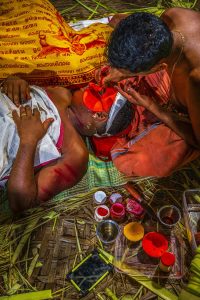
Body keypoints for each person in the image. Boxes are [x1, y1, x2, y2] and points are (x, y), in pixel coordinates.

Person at [0, 75, 134, 213]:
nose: (89, 85)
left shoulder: (76, 155)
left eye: (97, 92)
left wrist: (28, 141)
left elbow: (21, 202)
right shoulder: (61, 92)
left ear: (99, 116)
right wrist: (13, 82)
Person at [94, 9, 200, 177]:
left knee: (147, 159)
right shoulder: (172, 16)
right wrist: (122, 70)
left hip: (194, 111)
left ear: (160, 68)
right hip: (176, 82)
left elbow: (198, 140)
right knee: (117, 20)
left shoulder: (196, 76)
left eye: (133, 72)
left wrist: (151, 105)